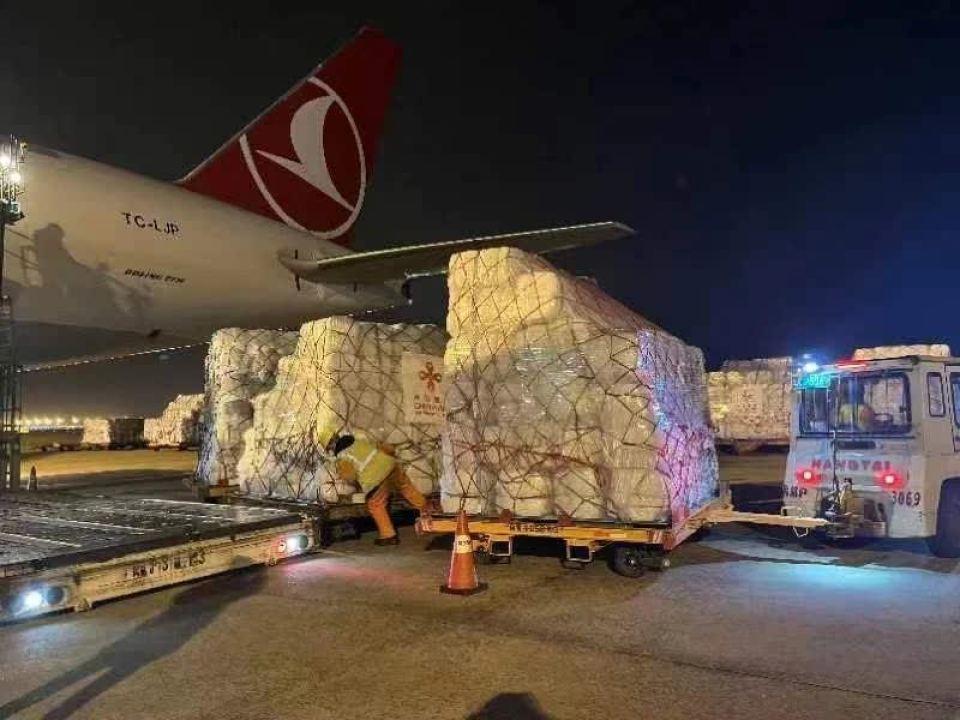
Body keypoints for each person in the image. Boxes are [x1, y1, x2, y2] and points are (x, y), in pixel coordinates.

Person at [326, 432, 428, 545]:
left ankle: (388, 535)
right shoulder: (359, 440)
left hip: (376, 478)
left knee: (375, 504)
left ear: (331, 447)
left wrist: (351, 483)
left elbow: (350, 476)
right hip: (391, 465)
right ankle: (427, 509)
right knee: (406, 488)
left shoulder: (343, 457)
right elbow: (387, 448)